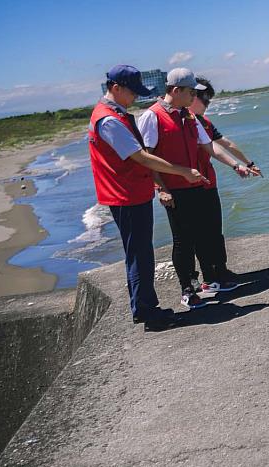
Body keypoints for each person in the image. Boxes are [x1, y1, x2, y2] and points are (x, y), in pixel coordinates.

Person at [88, 65, 208, 331]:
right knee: (140, 255)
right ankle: (147, 312)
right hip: (125, 195)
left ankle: (145, 308)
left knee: (140, 253)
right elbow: (140, 156)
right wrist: (182, 172)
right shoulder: (108, 120)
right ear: (116, 88)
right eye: (132, 92)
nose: (135, 99)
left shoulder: (114, 115)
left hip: (131, 193)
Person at [136, 67, 255, 310]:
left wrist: (236, 166)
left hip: (197, 186)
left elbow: (210, 147)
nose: (195, 97)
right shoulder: (152, 116)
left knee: (203, 235)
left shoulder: (189, 116)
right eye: (191, 92)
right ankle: (187, 288)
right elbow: (146, 158)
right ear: (176, 90)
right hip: (175, 189)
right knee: (183, 241)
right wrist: (161, 188)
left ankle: (209, 280)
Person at [188, 76, 261, 292]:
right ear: (192, 97)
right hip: (191, 185)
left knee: (215, 231)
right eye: (206, 100)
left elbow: (224, 143)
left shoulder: (204, 122)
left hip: (208, 183)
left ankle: (221, 270)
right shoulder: (187, 121)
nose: (208, 104)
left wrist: (248, 163)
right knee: (201, 235)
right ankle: (210, 277)